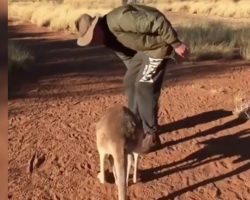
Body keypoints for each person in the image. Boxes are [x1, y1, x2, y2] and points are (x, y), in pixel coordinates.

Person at [75, 4, 189, 153]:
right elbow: (127, 57)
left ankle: (151, 134)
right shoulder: (106, 39)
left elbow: (157, 21)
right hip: (144, 51)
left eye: (91, 37)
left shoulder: (120, 19)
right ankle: (135, 125)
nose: (92, 42)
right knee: (130, 81)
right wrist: (136, 73)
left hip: (159, 46)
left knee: (144, 85)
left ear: (96, 27)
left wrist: (176, 44)